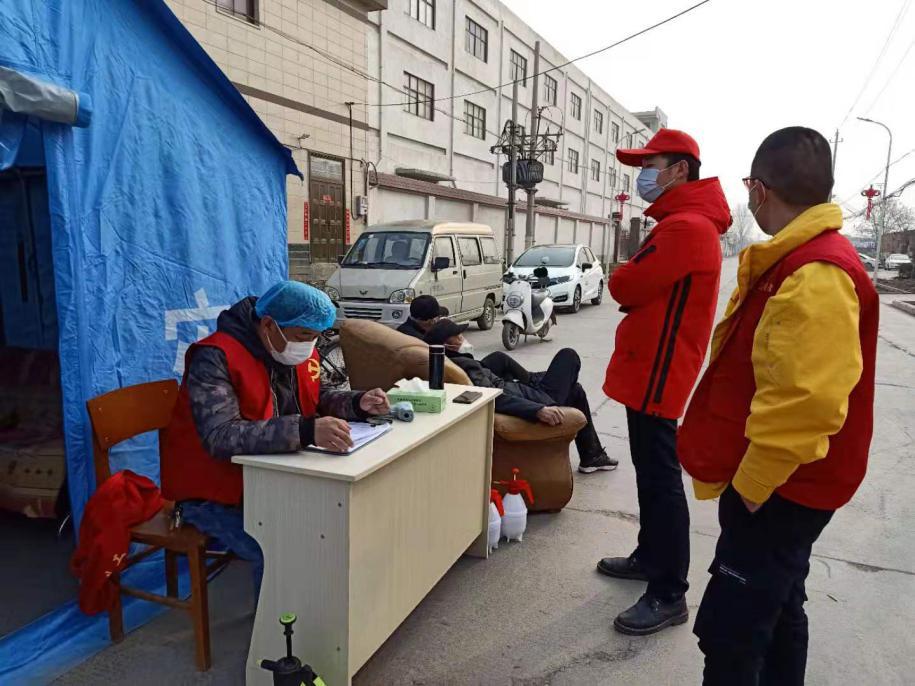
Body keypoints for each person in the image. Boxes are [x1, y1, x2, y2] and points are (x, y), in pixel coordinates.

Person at [678, 127, 878, 685]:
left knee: (731, 632)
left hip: (780, 487)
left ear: (759, 189)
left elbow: (805, 403)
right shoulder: (796, 260)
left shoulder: (816, 273)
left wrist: (750, 490)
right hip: (782, 482)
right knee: (780, 604)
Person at [160, 281, 390, 597]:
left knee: (336, 522)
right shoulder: (214, 357)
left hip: (276, 479)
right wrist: (305, 430)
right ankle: (280, 626)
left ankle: (328, 608)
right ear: (269, 325)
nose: (309, 345)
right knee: (279, 546)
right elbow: (220, 435)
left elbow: (316, 396)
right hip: (214, 493)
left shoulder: (289, 351)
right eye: (304, 336)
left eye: (316, 337)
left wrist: (357, 403)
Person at [599, 128, 732, 635]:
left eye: (650, 166)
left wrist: (625, 274)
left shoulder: (686, 228)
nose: (643, 176)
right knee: (649, 473)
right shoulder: (680, 223)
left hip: (660, 370)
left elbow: (626, 284)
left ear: (679, 169)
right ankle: (649, 556)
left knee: (660, 479)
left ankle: (669, 591)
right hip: (651, 367)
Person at [424, 320, 616, 472]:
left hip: (521, 390)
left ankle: (592, 455)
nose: (463, 338)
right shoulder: (466, 366)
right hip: (539, 399)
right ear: (447, 345)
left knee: (573, 389)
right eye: (458, 336)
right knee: (569, 357)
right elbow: (492, 396)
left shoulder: (453, 362)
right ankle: (592, 455)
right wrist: (537, 410)